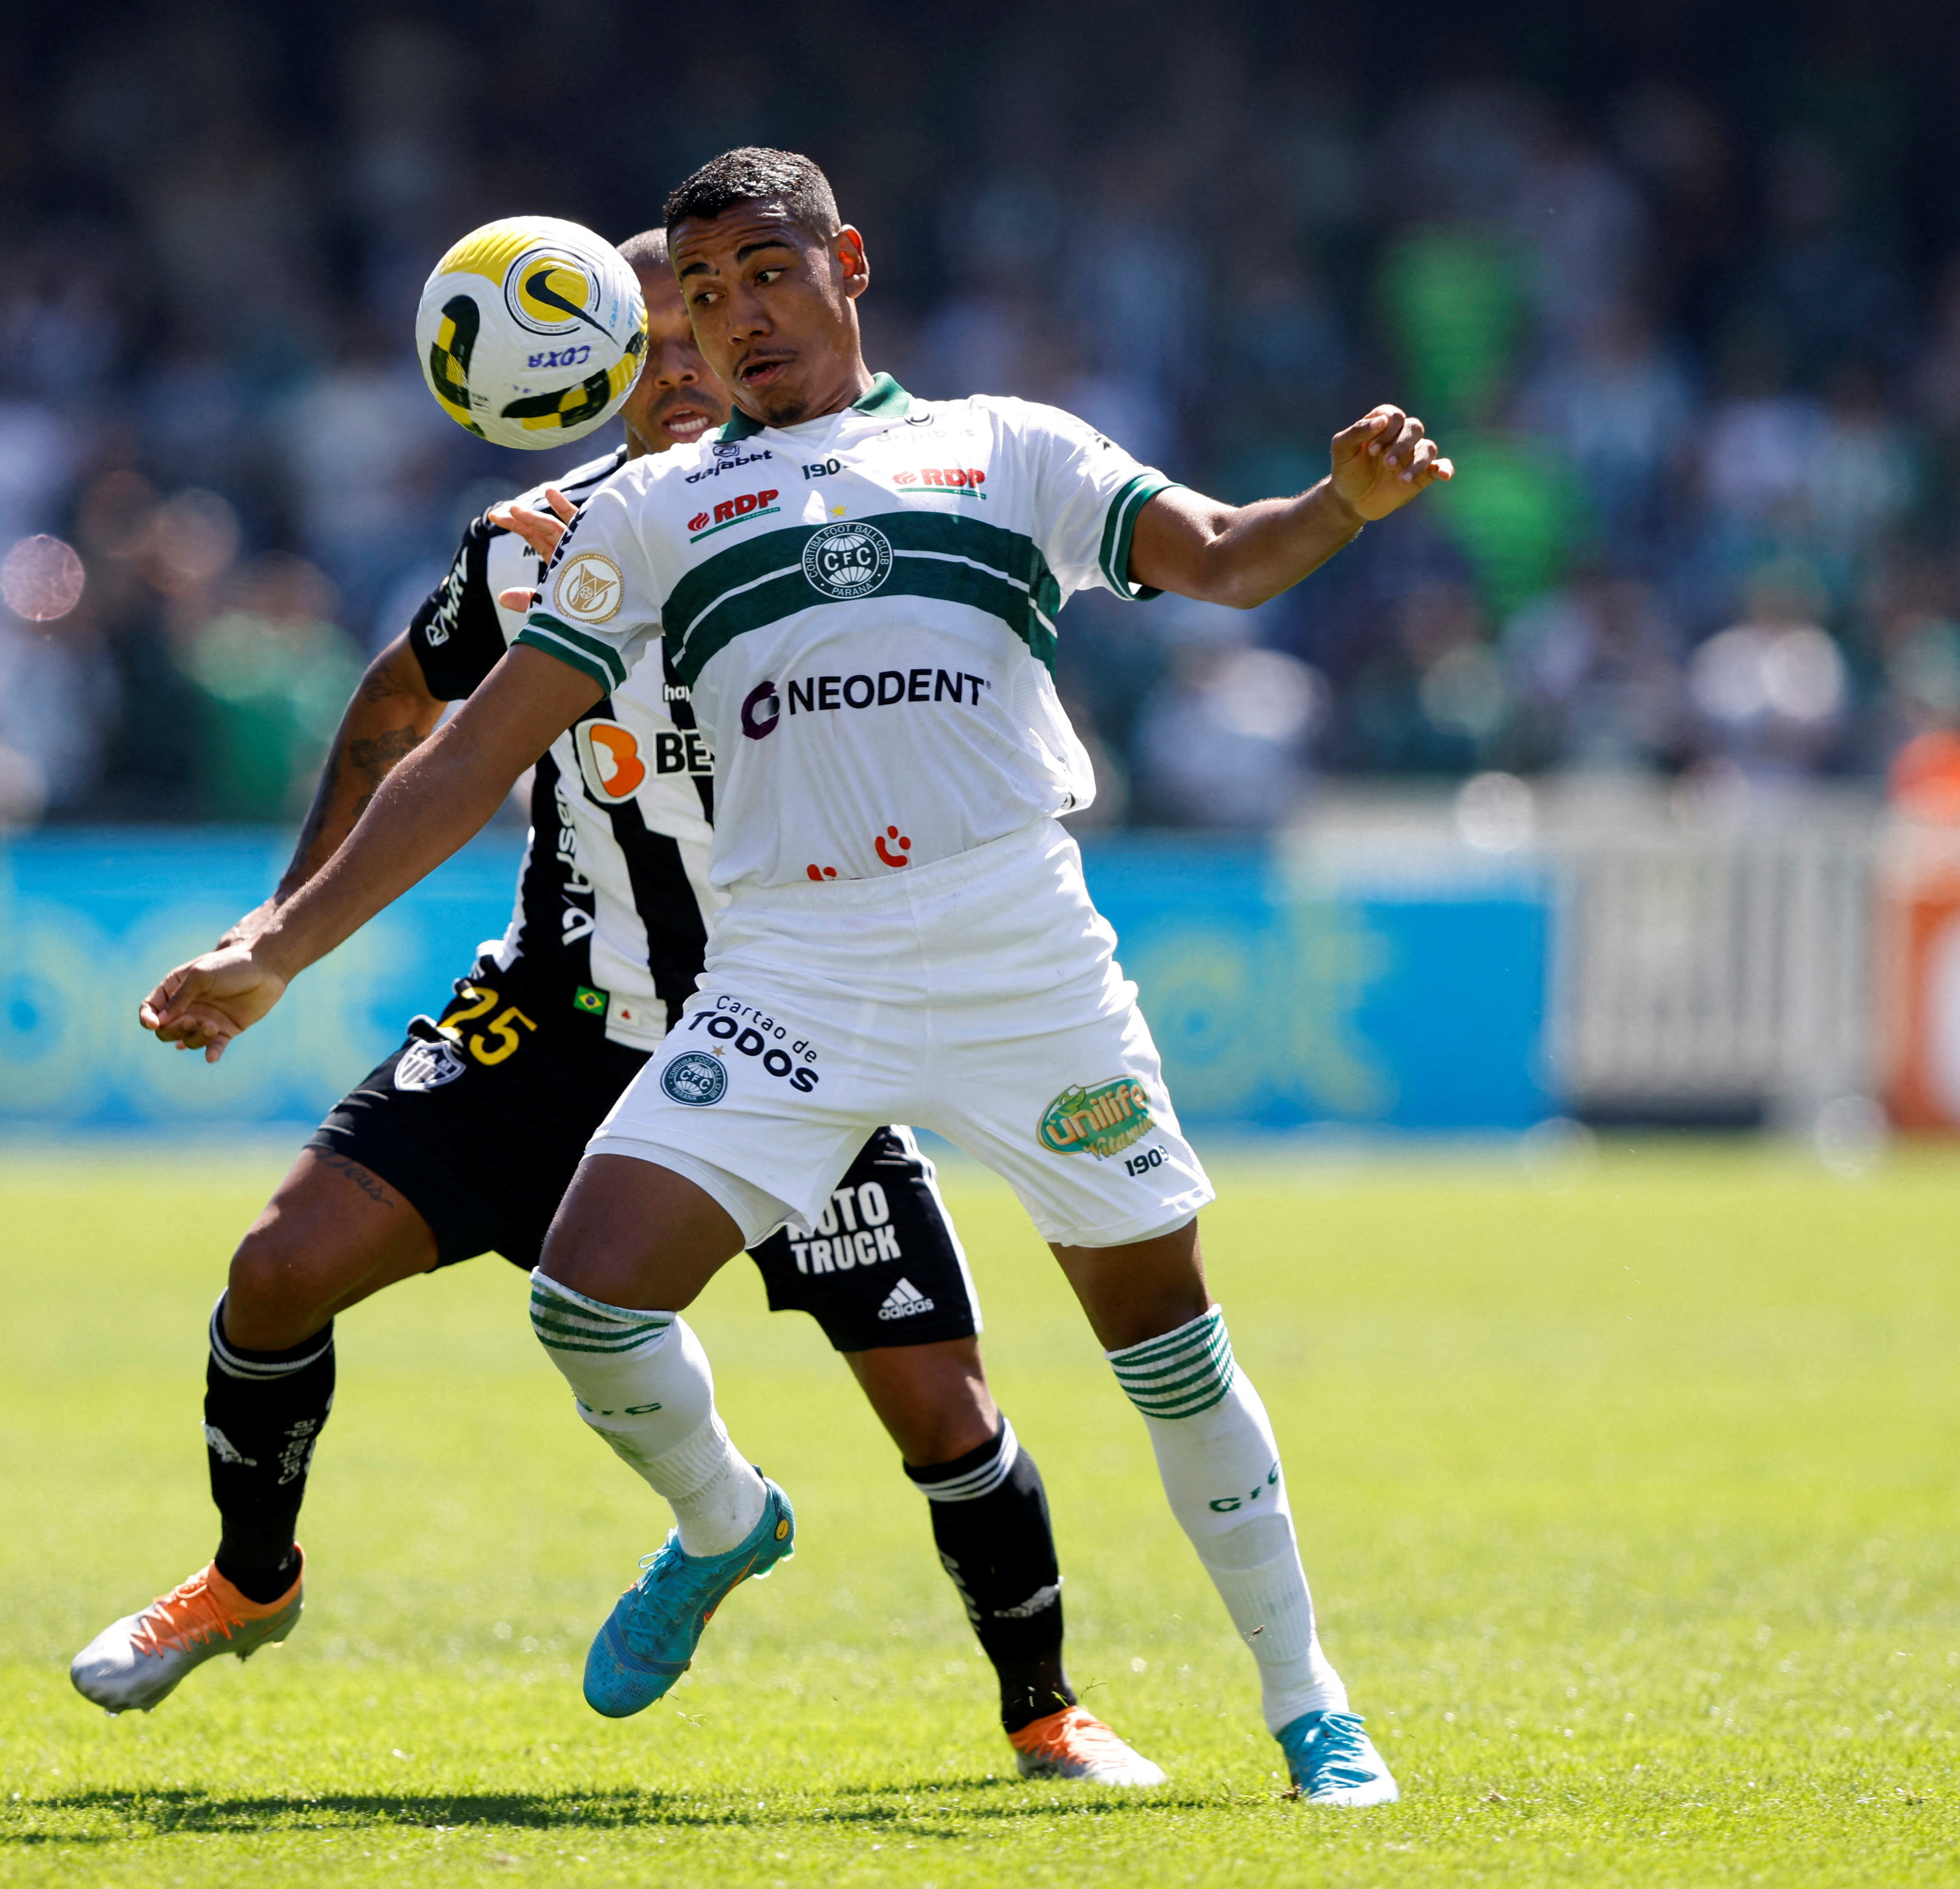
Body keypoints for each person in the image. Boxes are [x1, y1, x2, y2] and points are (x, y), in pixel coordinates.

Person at [139, 148, 1452, 1807]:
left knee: (1160, 1344)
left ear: (845, 261)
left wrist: (1338, 505)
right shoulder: (646, 513)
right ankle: (723, 1521)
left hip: (1015, 953)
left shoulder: (1003, 446)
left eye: (762, 274)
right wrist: (277, 944)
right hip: (793, 969)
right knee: (588, 1295)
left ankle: (1306, 1702)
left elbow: (1227, 558)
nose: (732, 317)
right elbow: (465, 757)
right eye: (696, 295)